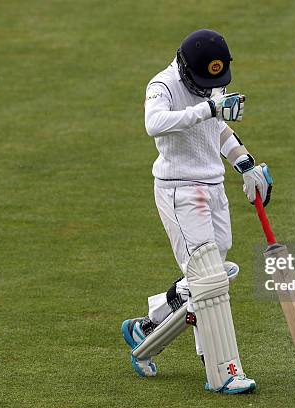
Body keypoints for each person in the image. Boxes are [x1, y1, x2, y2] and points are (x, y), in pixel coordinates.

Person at [121, 29, 272, 394]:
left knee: (215, 271)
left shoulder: (211, 87)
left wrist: (245, 163)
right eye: (204, 84)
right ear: (187, 69)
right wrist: (208, 107)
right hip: (180, 189)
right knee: (209, 280)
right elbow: (153, 124)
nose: (209, 90)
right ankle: (222, 370)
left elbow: (217, 127)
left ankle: (150, 323)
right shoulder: (163, 84)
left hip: (214, 185)